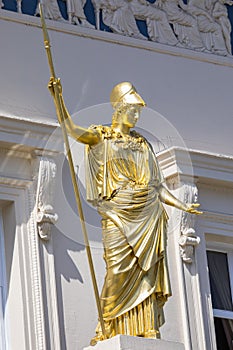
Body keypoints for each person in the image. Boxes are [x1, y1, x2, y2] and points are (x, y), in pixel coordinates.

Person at [48, 79, 202, 344]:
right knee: (117, 270)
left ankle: (147, 327)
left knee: (146, 272)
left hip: (148, 215)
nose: (137, 114)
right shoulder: (101, 136)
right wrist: (58, 99)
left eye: (139, 110)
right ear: (119, 109)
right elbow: (72, 130)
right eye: (133, 109)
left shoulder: (143, 144)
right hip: (117, 215)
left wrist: (180, 204)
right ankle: (107, 325)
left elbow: (156, 186)